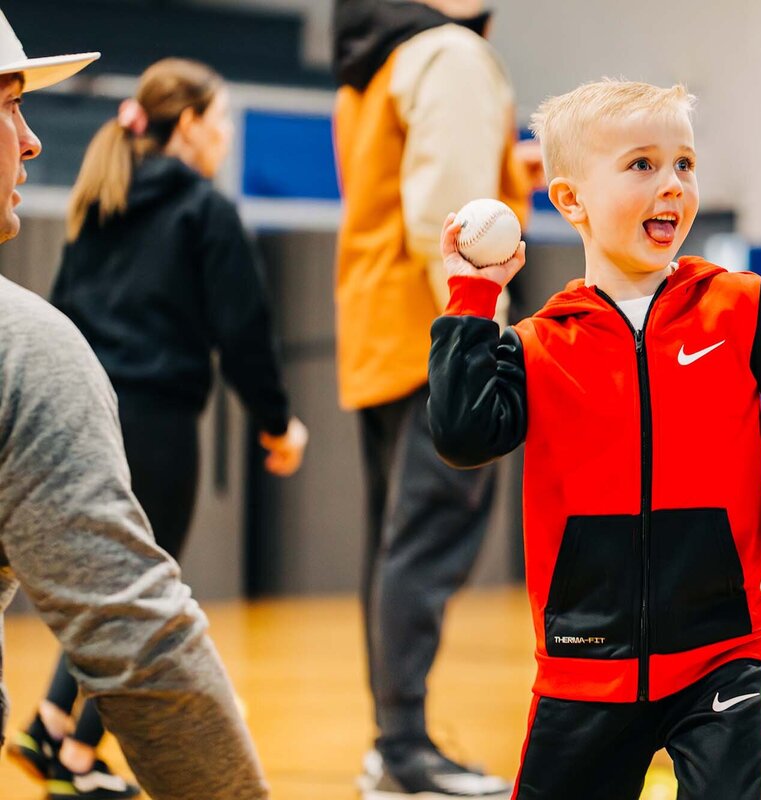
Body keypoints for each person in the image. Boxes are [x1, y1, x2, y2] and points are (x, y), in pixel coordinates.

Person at [427, 79, 761, 799]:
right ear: (570, 201)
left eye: (683, 164)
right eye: (642, 165)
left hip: (724, 650)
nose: (672, 186)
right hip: (584, 658)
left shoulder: (744, 307)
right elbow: (464, 436)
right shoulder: (537, 344)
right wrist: (473, 297)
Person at [11, 56, 307, 798]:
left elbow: (59, 305)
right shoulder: (205, 211)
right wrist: (278, 425)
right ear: (194, 125)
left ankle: (53, 726)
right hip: (160, 419)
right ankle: (78, 759)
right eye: (225, 119)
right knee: (134, 605)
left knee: (96, 589)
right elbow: (243, 331)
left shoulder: (102, 200)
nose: (230, 135)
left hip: (80, 412)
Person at [332, 1, 537, 796]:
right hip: (435, 331)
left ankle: (395, 741)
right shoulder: (448, 53)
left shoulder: (373, 64)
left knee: (395, 547)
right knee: (424, 544)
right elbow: (447, 214)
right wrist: (478, 327)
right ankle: (406, 750)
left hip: (379, 327)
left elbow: (404, 185)